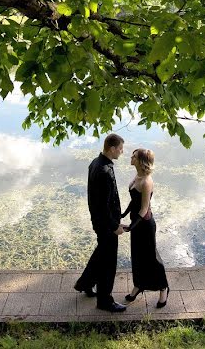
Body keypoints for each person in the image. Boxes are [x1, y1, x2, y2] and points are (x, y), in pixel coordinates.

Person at [74, 133, 127, 312]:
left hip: (100, 222)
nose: (122, 152)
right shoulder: (103, 171)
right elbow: (103, 206)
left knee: (100, 254)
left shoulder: (95, 163)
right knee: (108, 263)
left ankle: (85, 283)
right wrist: (114, 227)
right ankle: (105, 301)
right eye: (120, 148)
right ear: (112, 148)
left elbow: (97, 201)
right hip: (106, 225)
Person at [122, 148, 169, 308]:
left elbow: (143, 208)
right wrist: (123, 214)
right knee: (137, 256)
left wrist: (130, 227)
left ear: (141, 161)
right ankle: (139, 285)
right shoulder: (137, 175)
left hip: (145, 225)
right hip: (136, 222)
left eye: (133, 156)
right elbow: (134, 200)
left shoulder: (147, 181)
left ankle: (163, 288)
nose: (131, 157)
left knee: (151, 258)